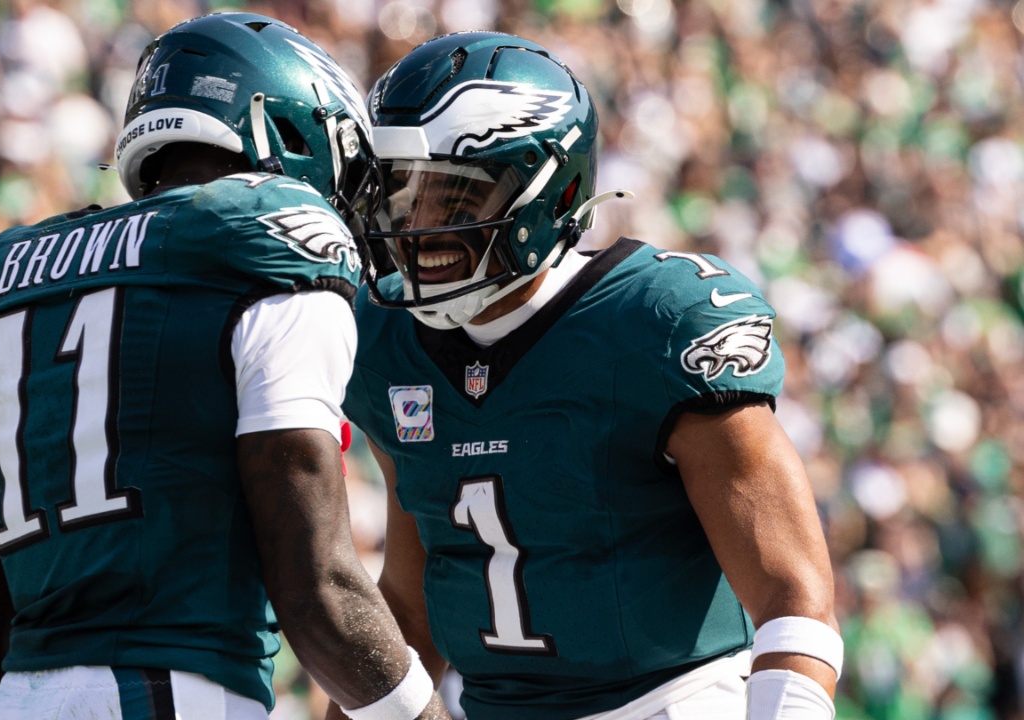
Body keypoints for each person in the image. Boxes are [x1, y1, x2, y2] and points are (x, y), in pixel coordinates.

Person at [0, 13, 449, 720]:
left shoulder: (12, 276)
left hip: (16, 697)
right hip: (173, 690)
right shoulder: (271, 241)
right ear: (296, 134)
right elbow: (316, 587)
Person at [334, 31, 841, 720]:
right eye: (401, 194)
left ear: (552, 192)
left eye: (453, 202)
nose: (416, 227)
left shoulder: (656, 323)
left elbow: (794, 595)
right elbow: (414, 602)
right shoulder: (388, 342)